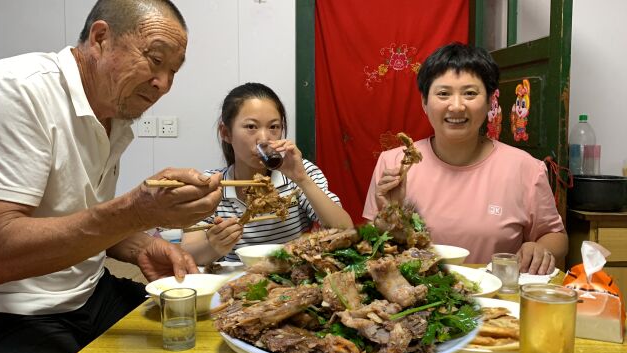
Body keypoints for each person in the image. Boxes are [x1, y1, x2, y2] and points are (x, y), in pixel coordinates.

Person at [0, 1, 223, 353]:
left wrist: (139, 245)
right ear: (100, 38)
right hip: (15, 310)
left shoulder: (116, 115)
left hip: (91, 292)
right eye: (156, 60)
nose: (164, 84)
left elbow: (76, 215)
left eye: (174, 71)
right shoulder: (17, 90)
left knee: (205, 330)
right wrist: (136, 212)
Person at [363, 43, 567, 275]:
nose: (457, 106)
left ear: (490, 101)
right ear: (424, 102)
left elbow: (556, 236)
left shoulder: (526, 168)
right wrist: (392, 216)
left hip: (497, 301)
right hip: (416, 300)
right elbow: (370, 248)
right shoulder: (395, 164)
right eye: (443, 94)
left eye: (470, 93)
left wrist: (539, 248)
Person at [182, 82, 354, 264]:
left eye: (273, 127)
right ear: (226, 133)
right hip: (234, 284)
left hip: (292, 280)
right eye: (251, 127)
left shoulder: (301, 173)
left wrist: (302, 179)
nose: (264, 138)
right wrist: (214, 246)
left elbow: (344, 230)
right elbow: (188, 254)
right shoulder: (211, 184)